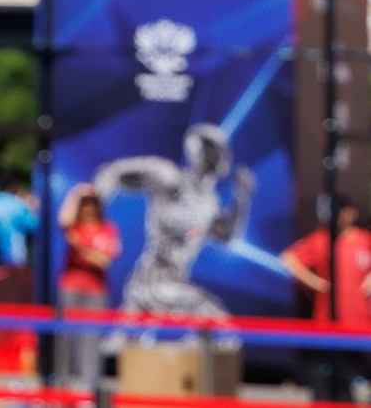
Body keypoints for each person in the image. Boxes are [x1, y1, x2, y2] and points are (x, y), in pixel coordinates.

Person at [96, 123, 253, 319]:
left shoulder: (209, 203)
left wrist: (241, 198)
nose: (207, 164)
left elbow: (226, 234)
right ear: (197, 155)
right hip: (152, 280)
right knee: (213, 317)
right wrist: (93, 207)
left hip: (176, 281)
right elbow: (114, 172)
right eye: (205, 155)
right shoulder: (171, 179)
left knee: (126, 339)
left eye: (212, 158)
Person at [280, 197, 371, 403]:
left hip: (359, 324)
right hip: (327, 324)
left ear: (352, 213)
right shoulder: (322, 239)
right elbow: (289, 258)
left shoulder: (365, 239)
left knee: (354, 377)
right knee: (326, 384)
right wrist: (315, 282)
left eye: (342, 211)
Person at [54, 186, 118, 387]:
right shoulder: (74, 226)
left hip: (95, 292)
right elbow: (63, 221)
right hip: (70, 289)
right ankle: (62, 389)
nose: (88, 208)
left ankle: (86, 390)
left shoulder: (107, 229)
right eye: (85, 203)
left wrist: (80, 248)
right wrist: (76, 193)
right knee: (65, 339)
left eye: (92, 203)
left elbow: (104, 260)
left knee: (90, 340)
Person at [0, 176, 36, 270]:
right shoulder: (17, 203)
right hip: (14, 252)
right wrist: (31, 206)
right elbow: (33, 225)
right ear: (12, 186)